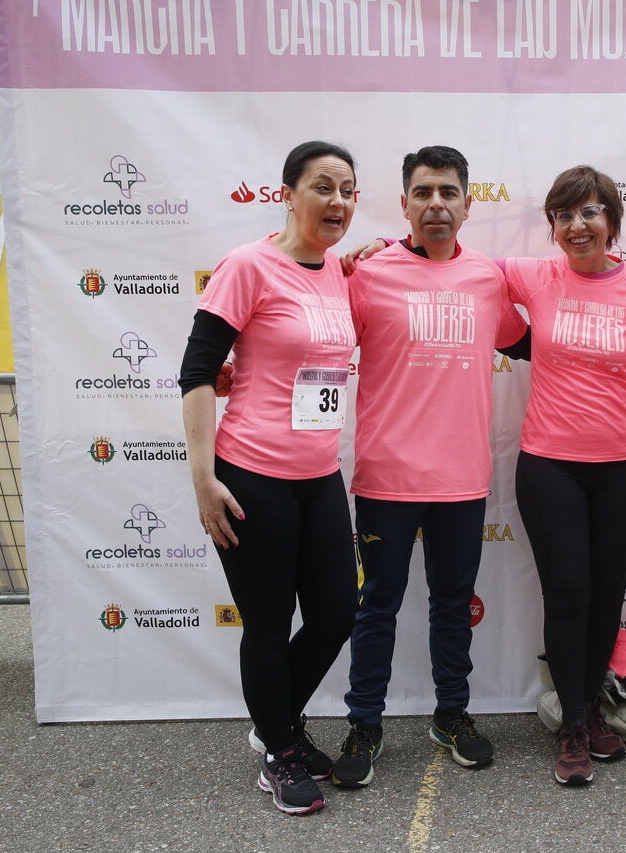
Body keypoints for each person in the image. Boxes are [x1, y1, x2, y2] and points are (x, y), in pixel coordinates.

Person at [330, 146, 528, 789]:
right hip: (386, 477)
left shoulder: (488, 279)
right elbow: (311, 331)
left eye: (448, 192)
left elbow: (529, 340)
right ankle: (365, 720)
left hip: (462, 479)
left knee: (451, 605)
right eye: (424, 192)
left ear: (469, 205)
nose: (436, 203)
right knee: (377, 606)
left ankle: (453, 714)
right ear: (405, 204)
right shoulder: (366, 274)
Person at [179, 141, 360, 815]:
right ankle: (280, 750)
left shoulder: (339, 270)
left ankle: (275, 722)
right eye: (322, 186)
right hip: (251, 473)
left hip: (319, 475)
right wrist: (203, 479)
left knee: (338, 610)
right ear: (288, 193)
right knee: (268, 620)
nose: (337, 200)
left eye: (347, 189)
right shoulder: (248, 266)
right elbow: (197, 371)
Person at [504, 166, 626, 786]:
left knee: (604, 593)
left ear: (612, 223)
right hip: (549, 466)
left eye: (589, 213)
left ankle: (591, 706)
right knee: (568, 592)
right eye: (564, 216)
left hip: (622, 466)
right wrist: (383, 250)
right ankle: (571, 723)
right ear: (553, 228)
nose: (576, 225)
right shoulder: (535, 277)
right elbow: (451, 265)